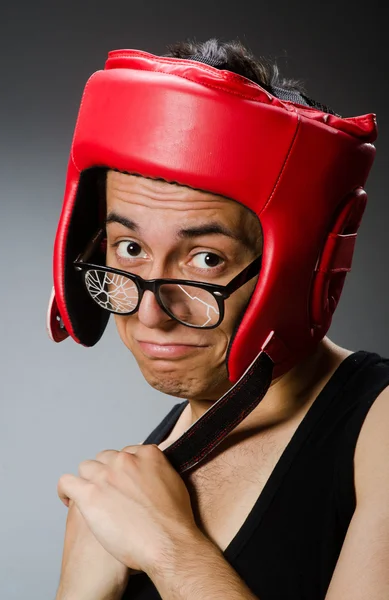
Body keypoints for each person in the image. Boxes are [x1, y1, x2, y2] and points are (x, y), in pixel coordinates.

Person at [49, 39, 389, 600]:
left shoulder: (375, 432)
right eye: (129, 248)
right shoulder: (138, 475)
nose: (152, 314)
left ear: (299, 267)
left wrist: (169, 549)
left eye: (207, 259)